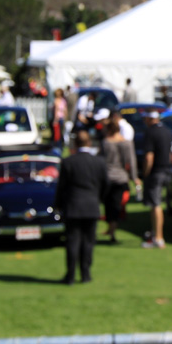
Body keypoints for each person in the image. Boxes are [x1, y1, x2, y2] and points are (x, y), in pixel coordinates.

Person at [55, 130, 108, 284]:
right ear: (89, 143)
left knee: (72, 241)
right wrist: (98, 198)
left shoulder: (68, 162)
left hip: (73, 206)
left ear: (76, 144)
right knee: (88, 241)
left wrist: (58, 204)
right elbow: (106, 184)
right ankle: (86, 273)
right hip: (91, 206)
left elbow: (61, 187)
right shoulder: (98, 162)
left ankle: (70, 275)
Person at [100, 116, 139, 243]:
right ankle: (112, 229)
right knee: (116, 205)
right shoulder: (126, 143)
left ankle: (111, 229)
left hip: (108, 177)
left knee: (108, 204)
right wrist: (134, 177)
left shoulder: (106, 143)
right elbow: (131, 162)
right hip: (121, 177)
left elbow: (101, 160)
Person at [140, 110, 172, 249]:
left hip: (156, 171)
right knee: (156, 203)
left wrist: (145, 173)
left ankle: (158, 238)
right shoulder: (167, 131)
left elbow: (149, 157)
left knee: (156, 204)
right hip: (166, 169)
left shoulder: (150, 132)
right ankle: (155, 234)